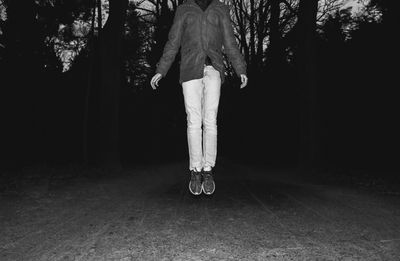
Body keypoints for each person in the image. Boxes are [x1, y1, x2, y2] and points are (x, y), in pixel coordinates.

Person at [150, 0, 248, 195]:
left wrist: (240, 68)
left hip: (214, 70)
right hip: (189, 70)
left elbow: (229, 42)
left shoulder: (220, 9)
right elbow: (174, 41)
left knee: (210, 119)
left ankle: (208, 170)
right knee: (194, 121)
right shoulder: (184, 9)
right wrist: (161, 69)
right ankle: (195, 170)